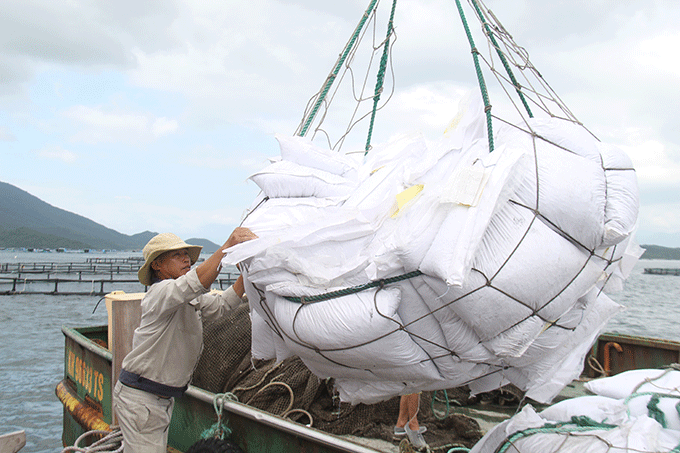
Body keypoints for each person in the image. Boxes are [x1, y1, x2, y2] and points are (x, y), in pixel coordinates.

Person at [112, 228, 257, 453]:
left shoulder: (189, 297)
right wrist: (228, 247)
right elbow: (194, 282)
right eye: (176, 255)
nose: (185, 258)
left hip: (159, 400)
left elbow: (222, 306)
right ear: (156, 265)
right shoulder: (160, 293)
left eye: (186, 254)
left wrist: (246, 274)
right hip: (141, 400)